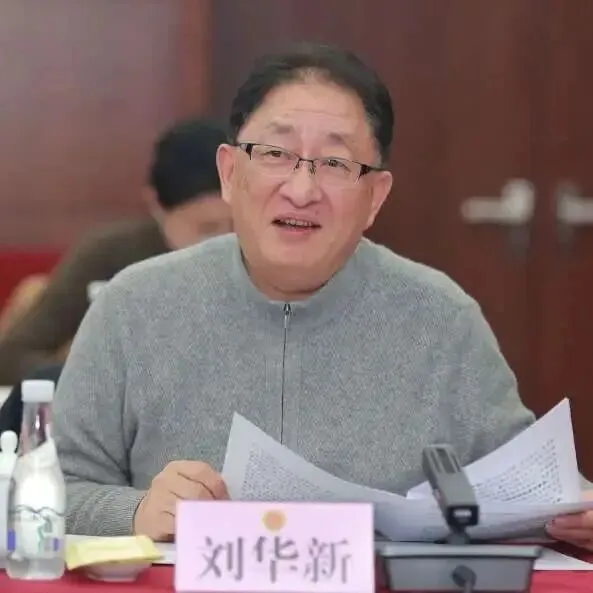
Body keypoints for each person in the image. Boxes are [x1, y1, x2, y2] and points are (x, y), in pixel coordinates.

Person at [52, 42, 593, 550]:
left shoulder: (441, 320)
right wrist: (136, 512)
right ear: (230, 172)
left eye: (335, 164)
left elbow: (532, 494)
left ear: (375, 197)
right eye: (276, 153)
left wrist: (577, 513)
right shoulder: (135, 305)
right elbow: (50, 494)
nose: (302, 189)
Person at [0, 117, 231, 385]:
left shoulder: (263, 257)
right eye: (207, 229)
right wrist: (101, 382)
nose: (226, 242)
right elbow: (12, 356)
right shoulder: (110, 256)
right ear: (156, 205)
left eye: (237, 225)